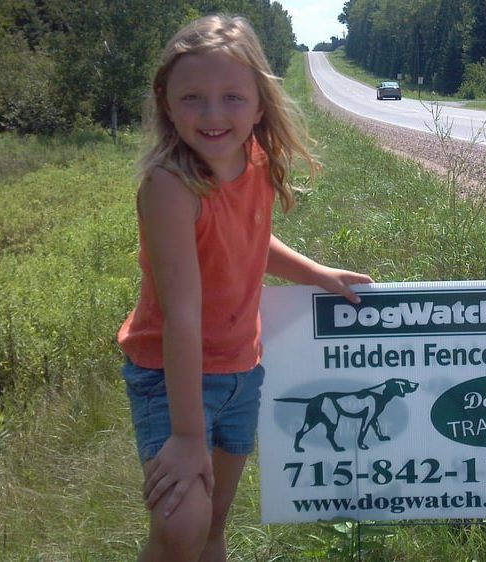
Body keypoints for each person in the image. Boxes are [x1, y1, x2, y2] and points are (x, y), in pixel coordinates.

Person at [117, 15, 372, 561]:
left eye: (232, 97)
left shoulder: (254, 162)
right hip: (172, 374)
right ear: (166, 102)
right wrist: (186, 438)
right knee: (182, 525)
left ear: (260, 103)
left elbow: (248, 243)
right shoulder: (170, 185)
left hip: (240, 371)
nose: (213, 115)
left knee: (213, 523)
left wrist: (318, 274)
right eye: (193, 98)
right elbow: (182, 315)